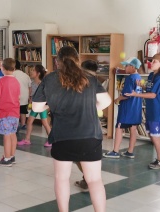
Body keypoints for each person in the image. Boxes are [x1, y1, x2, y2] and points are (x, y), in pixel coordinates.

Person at [32, 46, 111, 212]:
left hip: (63, 136)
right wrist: (90, 105)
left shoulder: (50, 79)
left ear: (57, 61)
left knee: (62, 179)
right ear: (77, 59)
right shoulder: (89, 77)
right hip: (90, 135)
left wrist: (51, 104)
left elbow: (37, 108)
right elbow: (106, 102)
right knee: (95, 180)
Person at [125, 53, 160, 169]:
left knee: (155, 136)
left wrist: (136, 94)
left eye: (155, 61)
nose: (151, 63)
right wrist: (141, 87)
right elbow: (149, 89)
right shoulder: (152, 75)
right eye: (152, 61)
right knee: (152, 136)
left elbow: (152, 95)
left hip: (159, 109)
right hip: (152, 109)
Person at [103, 57, 143, 159]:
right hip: (136, 108)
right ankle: (130, 152)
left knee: (119, 128)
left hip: (127, 109)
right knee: (133, 129)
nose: (124, 67)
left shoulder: (130, 78)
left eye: (126, 65)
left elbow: (127, 95)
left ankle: (115, 151)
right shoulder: (139, 77)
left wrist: (117, 99)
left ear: (132, 67)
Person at [74, 59, 99, 191]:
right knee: (88, 155)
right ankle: (89, 179)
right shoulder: (98, 82)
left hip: (80, 124)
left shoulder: (81, 82)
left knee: (78, 155)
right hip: (94, 125)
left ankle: (87, 179)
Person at [0, 58, 20, 167]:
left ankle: (7, 158)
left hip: (5, 112)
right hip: (15, 112)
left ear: (2, 68)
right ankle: (12, 156)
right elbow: (18, 96)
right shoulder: (16, 81)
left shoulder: (1, 81)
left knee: (6, 135)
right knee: (13, 134)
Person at [17, 64, 51, 147]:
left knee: (45, 123)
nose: (31, 72)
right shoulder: (32, 83)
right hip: (35, 106)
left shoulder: (43, 84)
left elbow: (47, 95)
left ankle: (51, 140)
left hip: (41, 106)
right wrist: (30, 101)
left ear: (38, 73)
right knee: (29, 121)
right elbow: (32, 94)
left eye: (33, 70)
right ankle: (27, 139)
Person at [13, 60, 31, 131]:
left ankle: (16, 125)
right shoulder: (25, 75)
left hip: (15, 96)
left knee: (15, 111)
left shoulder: (12, 74)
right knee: (23, 110)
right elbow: (30, 87)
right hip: (25, 96)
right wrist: (29, 97)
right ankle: (23, 124)